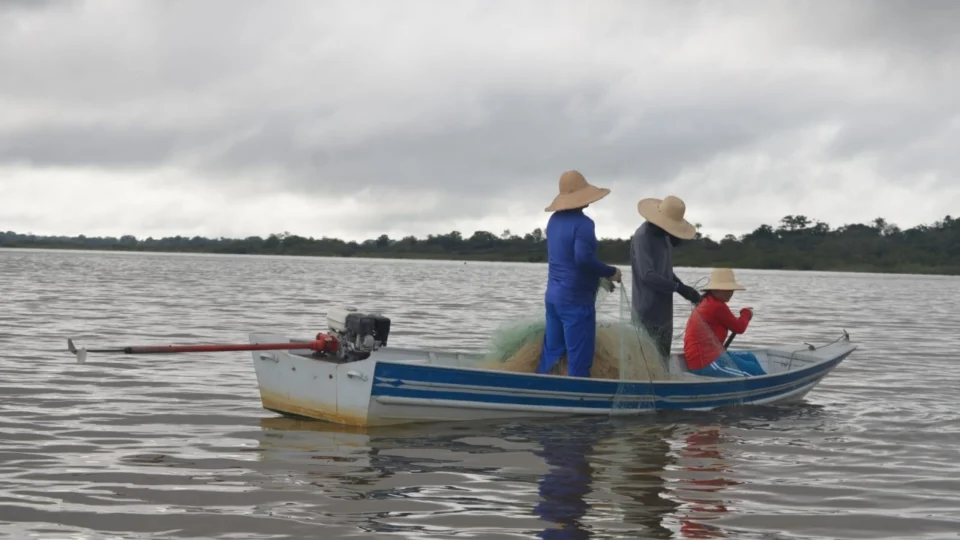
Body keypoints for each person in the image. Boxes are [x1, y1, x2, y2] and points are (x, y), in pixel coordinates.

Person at [537, 170, 622, 378]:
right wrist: (611, 272)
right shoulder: (584, 224)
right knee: (579, 359)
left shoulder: (554, 221)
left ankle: (539, 388)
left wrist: (600, 275)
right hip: (575, 300)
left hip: (553, 298)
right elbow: (582, 259)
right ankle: (579, 399)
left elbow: (566, 258)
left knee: (552, 353)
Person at [630, 195, 701, 359]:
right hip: (645, 309)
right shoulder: (643, 237)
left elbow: (665, 271)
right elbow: (647, 275)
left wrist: (685, 289)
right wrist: (678, 288)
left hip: (664, 311)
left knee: (663, 356)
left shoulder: (665, 237)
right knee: (647, 358)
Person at [682, 268, 765, 377]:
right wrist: (746, 313)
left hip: (713, 354)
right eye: (727, 289)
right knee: (749, 374)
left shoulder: (707, 301)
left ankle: (766, 381)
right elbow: (739, 328)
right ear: (715, 290)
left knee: (750, 357)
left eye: (731, 289)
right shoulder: (717, 306)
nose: (731, 293)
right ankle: (768, 384)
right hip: (706, 362)